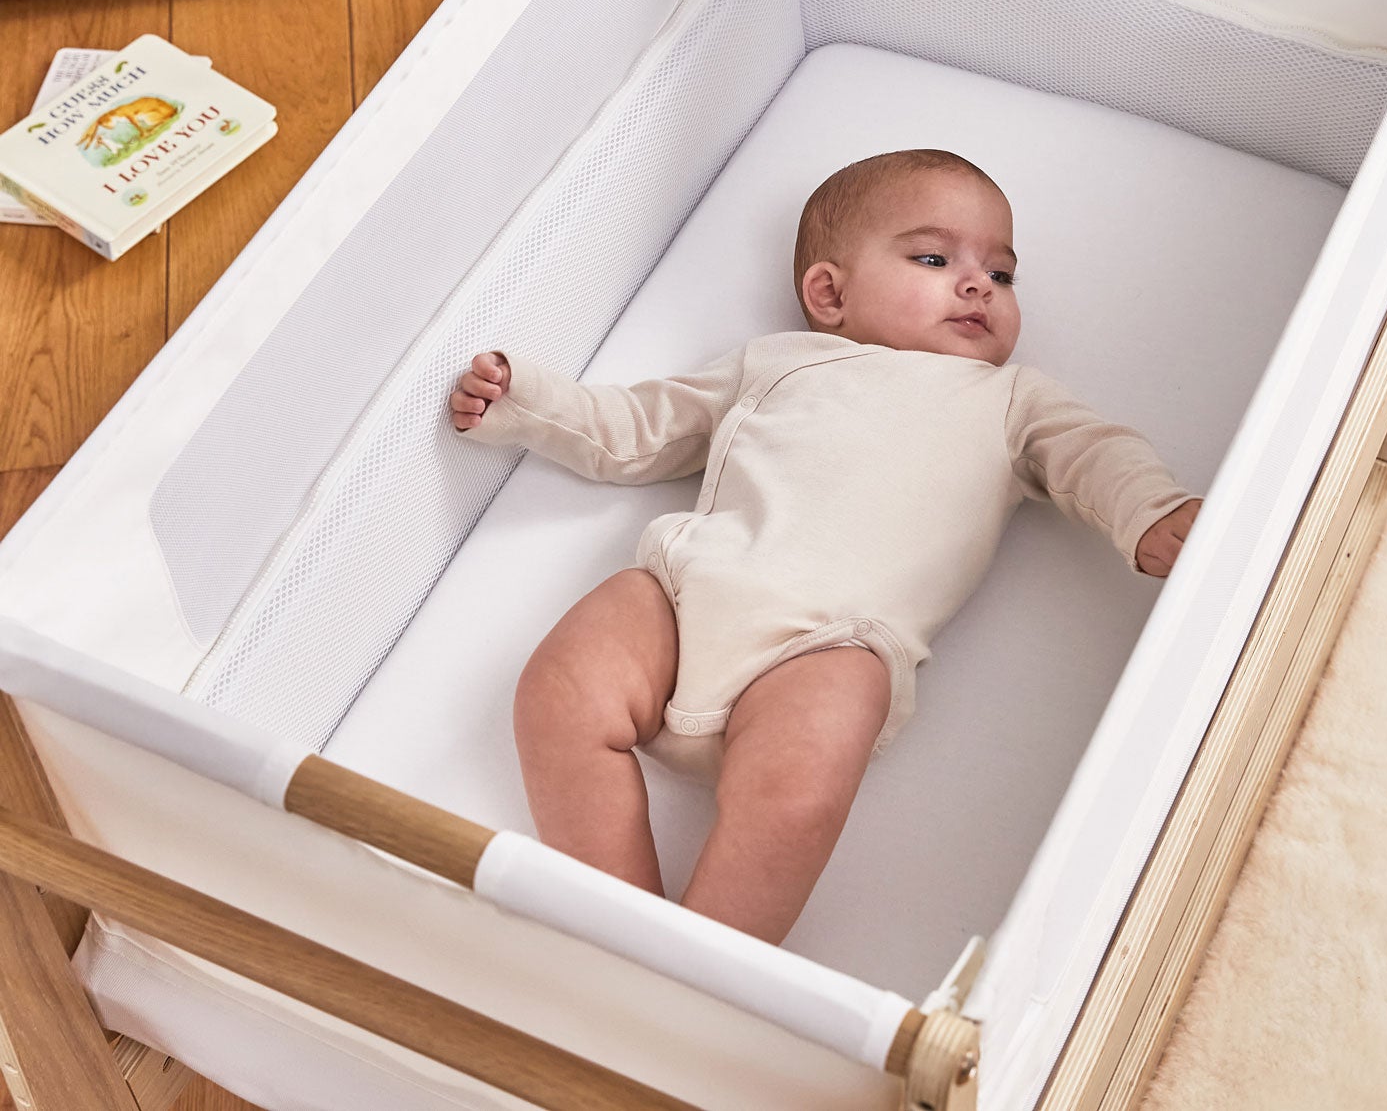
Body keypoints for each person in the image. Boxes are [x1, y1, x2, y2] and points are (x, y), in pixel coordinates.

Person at [450, 148, 1199, 944]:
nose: (979, 284)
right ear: (830, 292)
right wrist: (525, 403)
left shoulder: (1011, 399)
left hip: (830, 642)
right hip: (683, 595)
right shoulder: (773, 362)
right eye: (935, 258)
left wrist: (1151, 515)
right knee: (558, 690)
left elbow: (1095, 455)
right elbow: (637, 429)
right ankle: (613, 926)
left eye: (1003, 273)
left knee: (798, 794)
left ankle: (700, 965)